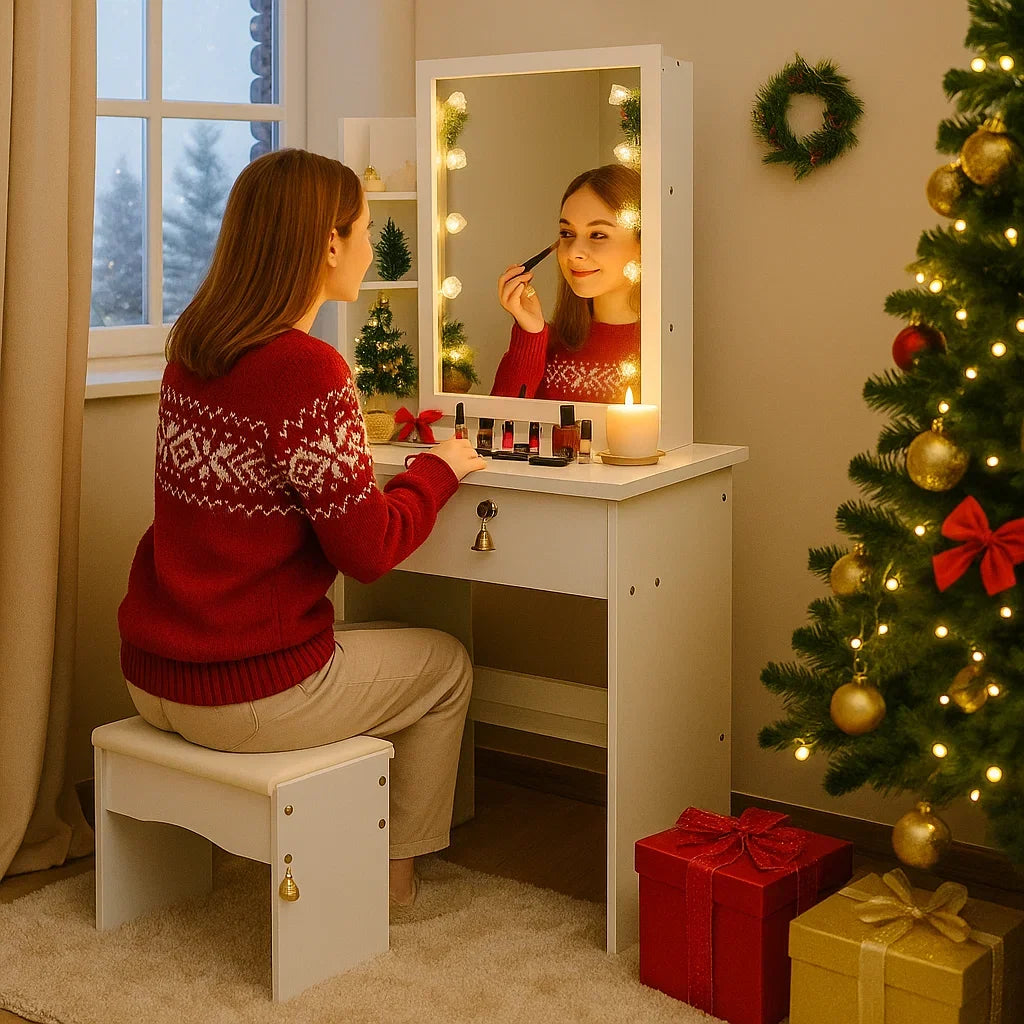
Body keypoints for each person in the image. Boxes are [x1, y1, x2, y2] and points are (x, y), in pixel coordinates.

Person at [117, 149, 486, 907]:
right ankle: (392, 887)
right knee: (446, 665)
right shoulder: (309, 371)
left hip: (154, 672)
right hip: (243, 696)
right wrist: (439, 468)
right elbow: (371, 550)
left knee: (371, 645)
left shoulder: (193, 347)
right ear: (328, 243)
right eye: (363, 229)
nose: (367, 244)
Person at [491, 164, 641, 404]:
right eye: (567, 234)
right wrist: (530, 335)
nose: (573, 253)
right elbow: (498, 429)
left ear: (642, 245)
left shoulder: (660, 351)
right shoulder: (547, 346)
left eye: (597, 235)